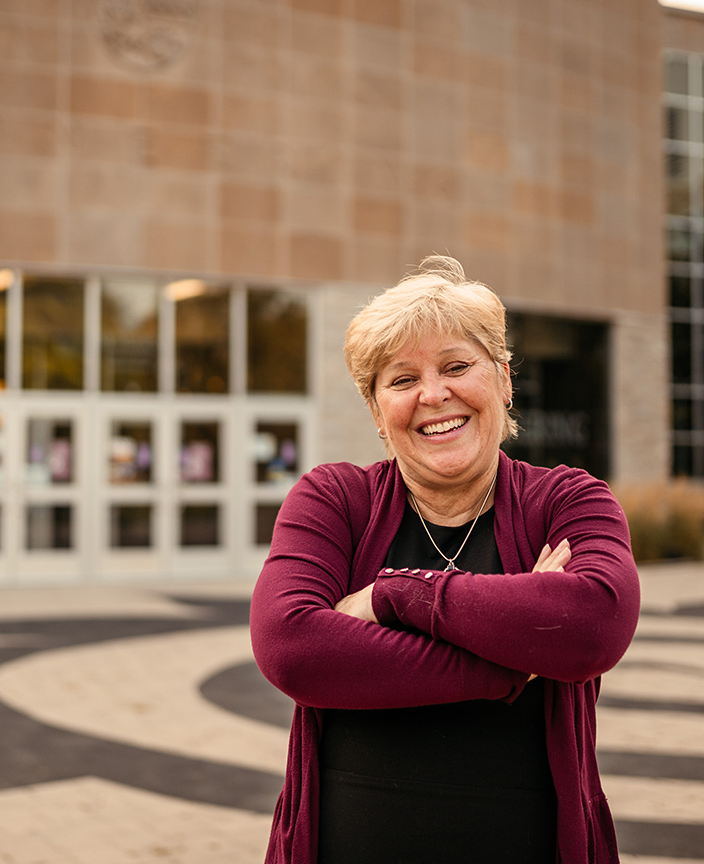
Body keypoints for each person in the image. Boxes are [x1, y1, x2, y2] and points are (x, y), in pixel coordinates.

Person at [249, 256, 640, 864]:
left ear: (504, 380)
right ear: (378, 411)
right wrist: (510, 668)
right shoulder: (335, 500)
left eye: (457, 366)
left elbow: (591, 627)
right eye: (401, 380)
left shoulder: (567, 499)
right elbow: (291, 648)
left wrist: (392, 597)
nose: (434, 394)